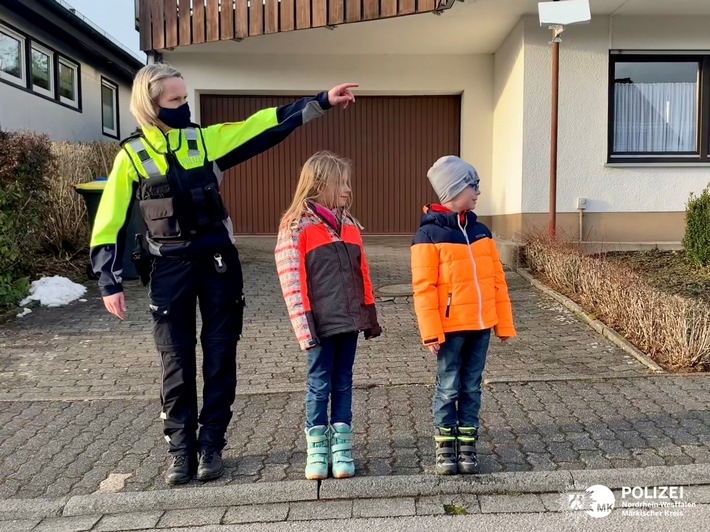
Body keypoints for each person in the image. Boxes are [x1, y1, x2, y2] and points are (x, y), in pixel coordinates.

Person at [90, 63, 358, 485]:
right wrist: (109, 280)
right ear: (151, 104)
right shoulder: (132, 155)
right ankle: (181, 452)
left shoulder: (205, 140)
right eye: (175, 100)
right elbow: (109, 220)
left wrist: (320, 102)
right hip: (169, 270)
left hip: (218, 267)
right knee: (175, 363)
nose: (184, 106)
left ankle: (211, 444)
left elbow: (262, 127)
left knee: (219, 359)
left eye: (185, 97)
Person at [275, 151, 381, 480]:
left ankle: (342, 449)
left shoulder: (349, 225)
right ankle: (317, 451)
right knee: (319, 385)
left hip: (347, 322)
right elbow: (292, 279)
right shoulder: (296, 226)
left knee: (344, 382)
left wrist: (369, 313)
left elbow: (361, 271)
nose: (349, 189)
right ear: (321, 184)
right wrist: (304, 327)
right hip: (319, 325)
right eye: (343, 183)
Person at [410, 155, 516, 475]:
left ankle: (467, 444)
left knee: (472, 386)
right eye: (474, 185)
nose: (478, 192)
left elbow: (497, 279)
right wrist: (431, 330)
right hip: (451, 327)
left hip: (481, 325)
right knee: (448, 386)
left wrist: (504, 323)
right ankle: (445, 447)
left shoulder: (481, 231)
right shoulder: (428, 235)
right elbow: (424, 287)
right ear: (454, 190)